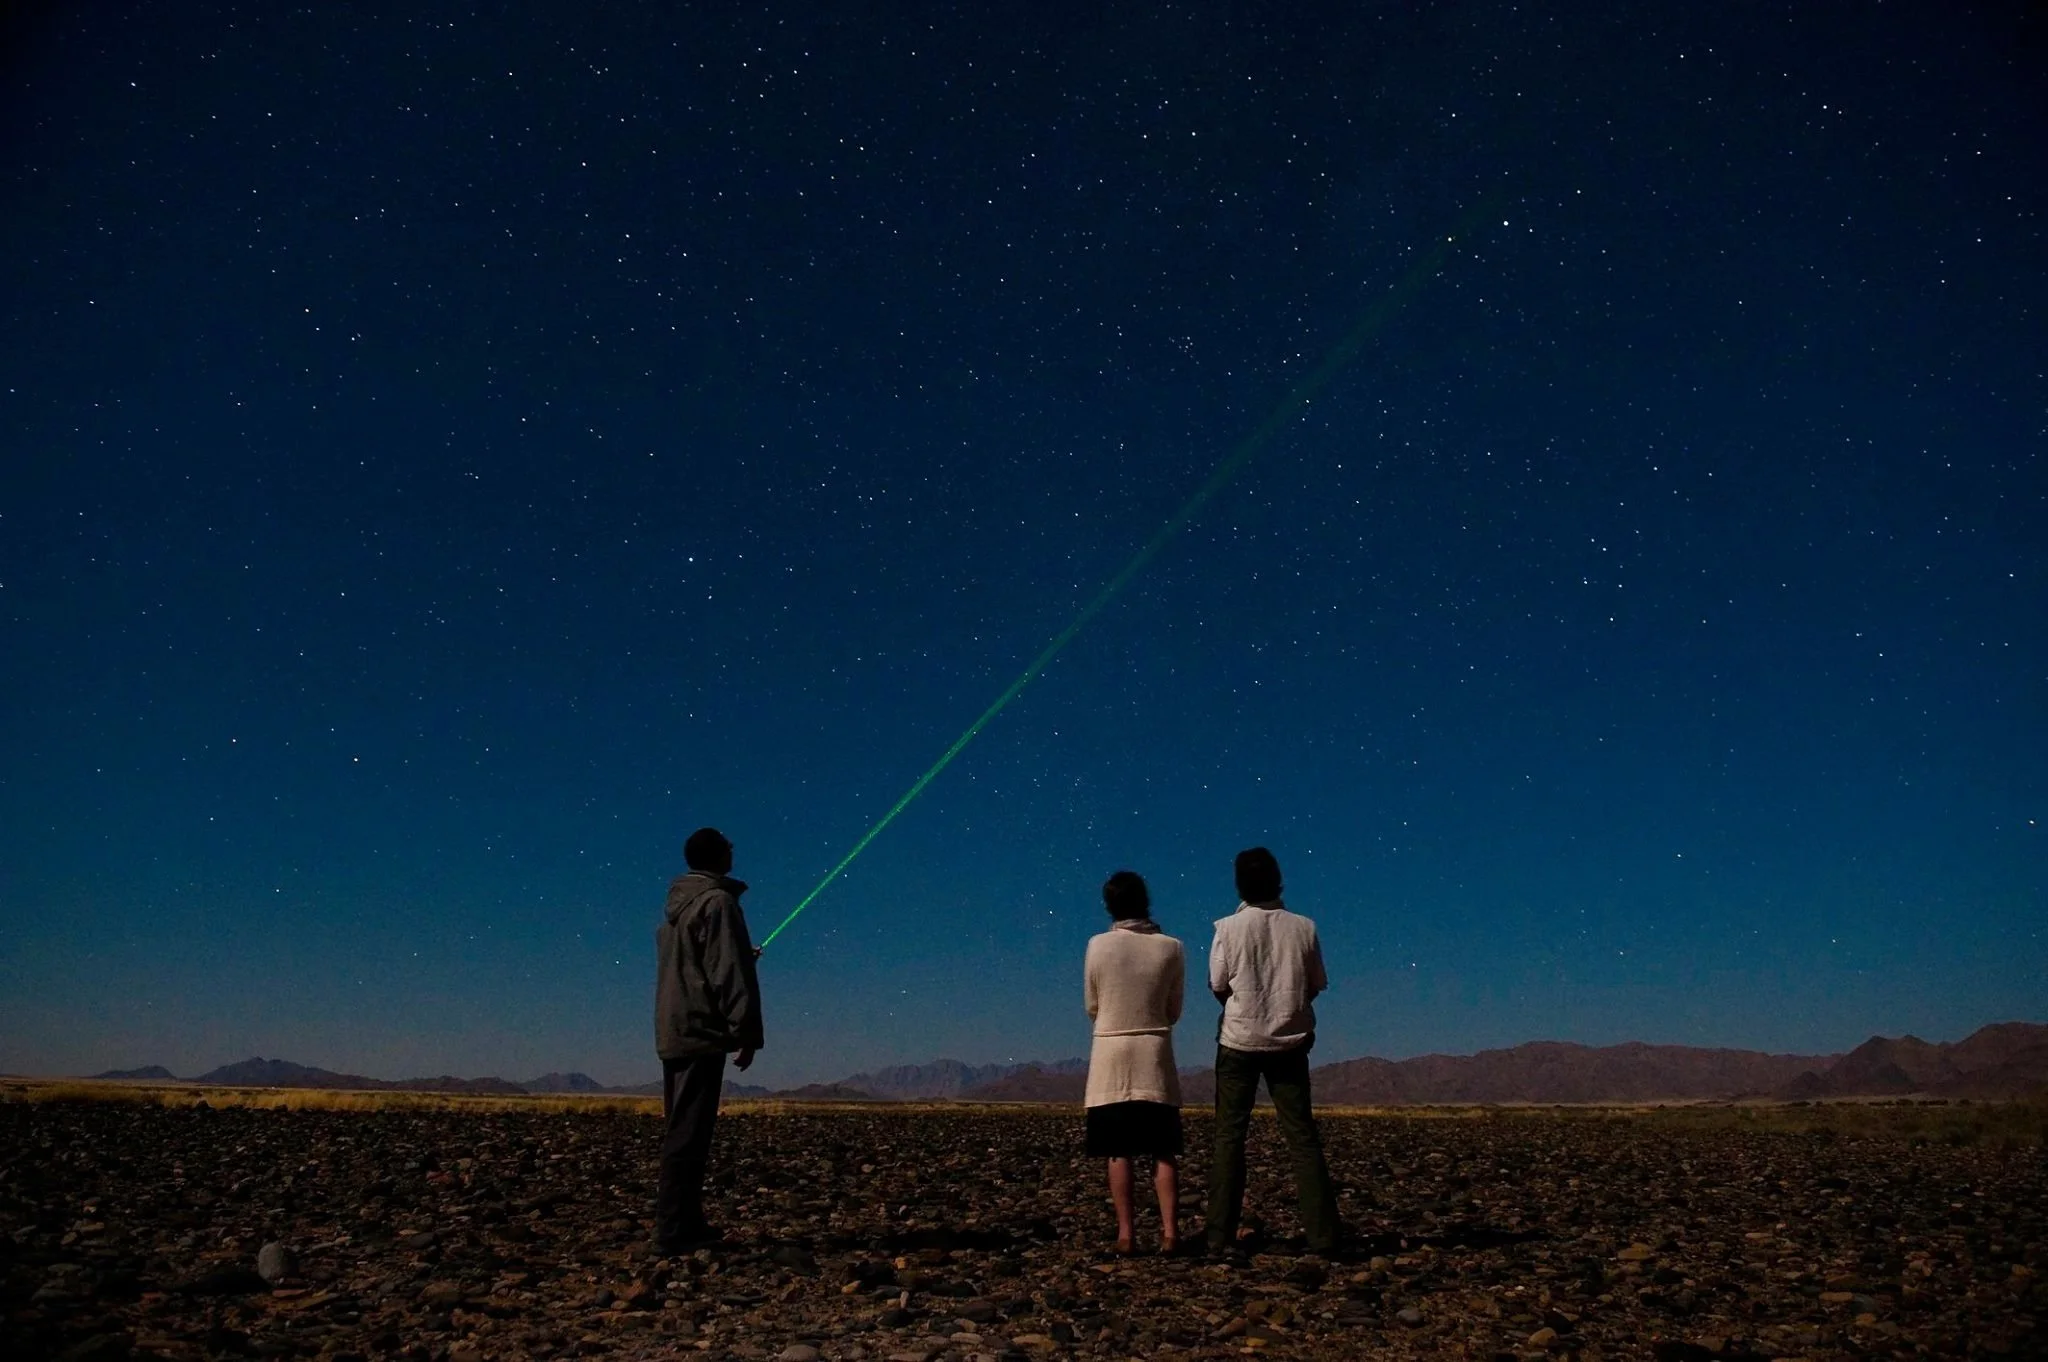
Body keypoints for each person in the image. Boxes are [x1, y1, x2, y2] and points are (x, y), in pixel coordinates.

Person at [1204, 846, 1340, 1256]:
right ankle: (1324, 1236)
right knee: (1302, 1138)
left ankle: (1217, 1237)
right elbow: (1316, 982)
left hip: (1240, 1041)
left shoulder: (1228, 928)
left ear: (1240, 883)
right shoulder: (1304, 928)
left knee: (1229, 1137)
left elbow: (1217, 984)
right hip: (1290, 1043)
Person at [653, 826, 764, 1253]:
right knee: (688, 1134)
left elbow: (700, 964)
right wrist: (746, 1033)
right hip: (700, 1030)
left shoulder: (677, 911)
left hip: (675, 1029)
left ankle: (686, 1220)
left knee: (685, 1130)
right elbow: (727, 972)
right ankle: (672, 1230)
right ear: (719, 856)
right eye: (729, 847)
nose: (734, 851)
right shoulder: (717, 902)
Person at [1083, 870, 1186, 1255]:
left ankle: (1126, 1234)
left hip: (1110, 1053)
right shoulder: (1172, 947)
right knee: (1163, 1148)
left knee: (1117, 1149)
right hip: (1154, 1051)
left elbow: (1092, 1004)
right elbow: (1173, 1009)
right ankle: (1170, 1232)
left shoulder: (1097, 946)